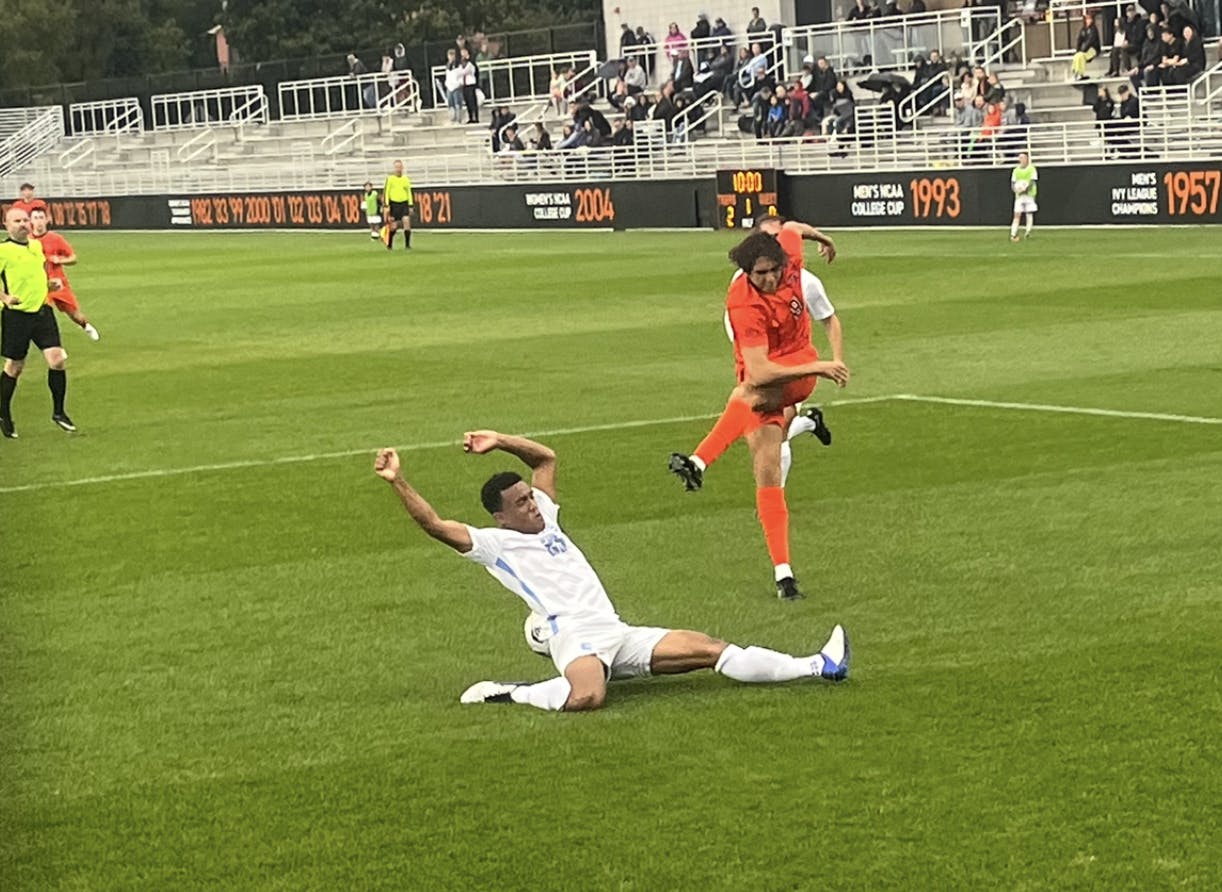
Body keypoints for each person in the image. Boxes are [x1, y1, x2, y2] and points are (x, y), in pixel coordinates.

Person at [372, 432, 851, 711]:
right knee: (588, 699)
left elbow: (545, 458)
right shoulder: (495, 545)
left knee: (710, 649)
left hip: (615, 630)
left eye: (530, 496)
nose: (532, 504)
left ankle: (818, 665)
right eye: (520, 503)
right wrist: (399, 481)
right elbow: (434, 524)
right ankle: (513, 693)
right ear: (501, 517)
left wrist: (500, 441)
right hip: (573, 634)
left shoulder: (548, 516)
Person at [669, 223, 849, 600]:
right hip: (769, 377)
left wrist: (825, 239)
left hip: (798, 371)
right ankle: (785, 576)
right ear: (747, 273)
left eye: (773, 271)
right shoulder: (742, 301)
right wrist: (823, 366)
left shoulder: (792, 258)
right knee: (768, 473)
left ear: (783, 261)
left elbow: (794, 228)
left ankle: (699, 461)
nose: (768, 279)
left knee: (746, 395)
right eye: (760, 273)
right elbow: (761, 372)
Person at [0, 207, 74, 438]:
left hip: (42, 311)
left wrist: (49, 285)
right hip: (17, 315)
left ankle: (59, 412)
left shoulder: (35, 246)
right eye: (17, 221)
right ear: (6, 225)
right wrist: (5, 297)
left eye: (25, 220)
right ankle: (3, 413)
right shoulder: (3, 250)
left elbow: (39, 272)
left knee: (57, 359)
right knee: (15, 367)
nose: (23, 224)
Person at [29, 209, 98, 340]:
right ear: (31, 221)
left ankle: (85, 325)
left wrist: (60, 260)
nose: (39, 221)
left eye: (41, 217)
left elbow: (73, 258)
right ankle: (47, 340)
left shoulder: (56, 239)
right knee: (43, 313)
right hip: (39, 284)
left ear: (47, 220)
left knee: (74, 314)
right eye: (36, 218)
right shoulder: (28, 240)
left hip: (58, 283)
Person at [382, 160, 413, 251]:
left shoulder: (405, 179)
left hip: (404, 203)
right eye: (396, 167)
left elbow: (409, 192)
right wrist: (387, 205)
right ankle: (389, 244)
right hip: (394, 204)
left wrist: (410, 205)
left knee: (406, 221)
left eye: (400, 167)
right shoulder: (390, 179)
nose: (398, 169)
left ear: (402, 168)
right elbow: (387, 192)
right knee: (393, 226)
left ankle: (407, 245)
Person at [1009, 151, 1038, 242]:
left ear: (1027, 159)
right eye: (1020, 158)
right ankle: (1013, 234)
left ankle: (1028, 232)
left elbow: (1032, 181)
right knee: (1017, 214)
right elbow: (1013, 183)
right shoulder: (1016, 170)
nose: (1022, 160)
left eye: (1023, 158)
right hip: (1019, 196)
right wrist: (1016, 190)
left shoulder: (1032, 169)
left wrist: (1025, 189)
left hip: (1029, 195)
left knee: (1029, 213)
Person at [1071, 14, 1101, 79]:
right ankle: (1075, 72)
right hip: (1084, 49)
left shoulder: (1093, 29)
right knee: (1077, 56)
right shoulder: (1083, 29)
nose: (1088, 20)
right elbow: (1079, 40)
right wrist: (1078, 50)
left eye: (1090, 19)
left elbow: (1091, 40)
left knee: (1081, 56)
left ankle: (1080, 73)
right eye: (1087, 19)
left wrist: (1083, 50)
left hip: (1093, 49)